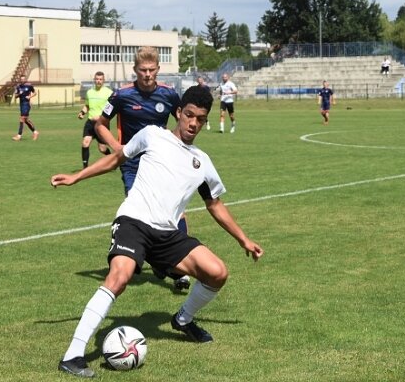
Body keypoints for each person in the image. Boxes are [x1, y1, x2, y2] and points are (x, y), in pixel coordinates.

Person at [52, 86, 264, 378]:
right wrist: (76, 176)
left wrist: (244, 239)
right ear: (178, 113)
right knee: (120, 276)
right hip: (134, 222)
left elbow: (214, 205)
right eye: (188, 115)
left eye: (200, 119)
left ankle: (182, 319)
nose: (193, 123)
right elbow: (116, 159)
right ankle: (73, 355)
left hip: (168, 235)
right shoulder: (153, 135)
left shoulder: (202, 162)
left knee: (217, 272)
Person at [95, 46, 190, 290]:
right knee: (141, 214)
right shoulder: (121, 95)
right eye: (142, 70)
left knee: (175, 211)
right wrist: (118, 148)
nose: (147, 74)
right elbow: (100, 125)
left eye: (151, 70)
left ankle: (179, 268)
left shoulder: (169, 95)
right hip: (133, 165)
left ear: (158, 69)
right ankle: (159, 261)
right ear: (135, 70)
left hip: (161, 163)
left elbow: (183, 121)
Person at [77, 71, 113, 168]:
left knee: (102, 148)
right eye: (97, 79)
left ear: (103, 80)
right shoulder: (89, 92)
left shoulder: (109, 93)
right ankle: (85, 167)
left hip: (102, 123)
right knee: (85, 142)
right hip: (90, 122)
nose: (98, 81)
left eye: (100, 79)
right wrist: (82, 113)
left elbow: (111, 108)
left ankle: (112, 159)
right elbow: (87, 105)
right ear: (94, 80)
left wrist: (102, 117)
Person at [12, 74, 39, 141]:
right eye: (21, 79)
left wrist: (30, 97)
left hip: (26, 104)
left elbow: (35, 93)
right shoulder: (18, 87)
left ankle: (19, 136)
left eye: (23, 79)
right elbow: (15, 96)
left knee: (22, 119)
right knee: (26, 120)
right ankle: (35, 132)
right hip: (21, 105)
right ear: (20, 80)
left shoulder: (29, 86)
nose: (22, 80)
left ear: (25, 79)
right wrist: (19, 94)